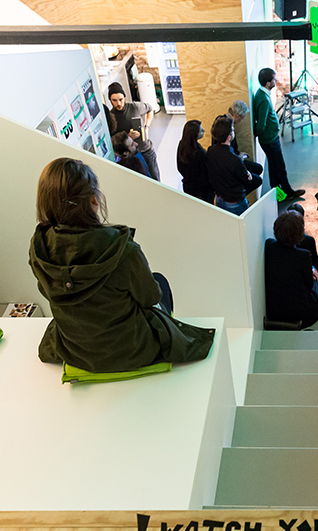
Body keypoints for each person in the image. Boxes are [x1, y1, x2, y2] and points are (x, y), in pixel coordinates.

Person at [28, 157, 215, 373]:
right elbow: (150, 297)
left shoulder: (39, 249)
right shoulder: (121, 249)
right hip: (132, 350)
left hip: (76, 351)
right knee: (159, 282)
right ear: (93, 200)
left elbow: (48, 290)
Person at [252, 68, 304, 199]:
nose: (276, 81)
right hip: (269, 139)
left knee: (274, 165)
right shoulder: (263, 99)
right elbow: (262, 123)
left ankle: (277, 192)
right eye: (274, 79)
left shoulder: (261, 93)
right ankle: (288, 192)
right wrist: (260, 133)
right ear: (268, 83)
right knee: (279, 166)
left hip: (269, 138)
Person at [264, 210, 318, 328]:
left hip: (273, 310)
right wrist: (312, 271)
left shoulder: (268, 246)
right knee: (315, 277)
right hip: (300, 314)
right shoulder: (304, 256)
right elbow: (309, 285)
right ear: (300, 234)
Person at [207, 115, 261, 215]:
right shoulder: (235, 160)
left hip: (219, 199)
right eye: (232, 129)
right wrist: (248, 174)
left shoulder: (210, 151)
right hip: (235, 203)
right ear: (229, 137)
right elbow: (246, 180)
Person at [108, 82, 160, 181]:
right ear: (110, 100)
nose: (118, 103)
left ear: (125, 97)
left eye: (121, 100)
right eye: (114, 100)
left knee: (157, 181)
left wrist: (147, 127)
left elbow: (150, 109)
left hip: (146, 150)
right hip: (131, 158)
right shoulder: (110, 118)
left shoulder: (135, 107)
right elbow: (113, 140)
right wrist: (127, 138)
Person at [176, 119, 213, 203]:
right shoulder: (199, 153)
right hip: (202, 190)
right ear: (194, 134)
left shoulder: (181, 144)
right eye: (200, 130)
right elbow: (205, 172)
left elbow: (179, 167)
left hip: (188, 187)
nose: (203, 130)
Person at [227, 100, 265, 179]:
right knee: (257, 172)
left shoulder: (226, 122)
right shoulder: (226, 126)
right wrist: (238, 157)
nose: (240, 122)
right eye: (240, 119)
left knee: (258, 168)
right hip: (231, 163)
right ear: (237, 116)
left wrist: (239, 154)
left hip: (234, 158)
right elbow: (226, 153)